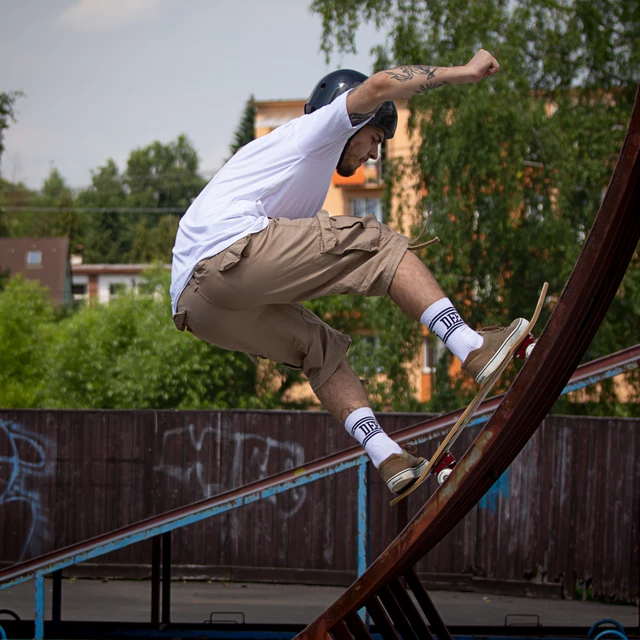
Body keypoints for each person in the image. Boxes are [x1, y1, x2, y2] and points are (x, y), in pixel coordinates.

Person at [170, 49, 528, 495]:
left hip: (195, 305)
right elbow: (379, 85)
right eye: (374, 138)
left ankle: (389, 457)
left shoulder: (299, 180)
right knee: (377, 242)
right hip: (225, 252)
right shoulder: (318, 130)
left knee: (319, 348)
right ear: (353, 122)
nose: (373, 155)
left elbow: (306, 263)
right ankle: (472, 347)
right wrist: (464, 73)